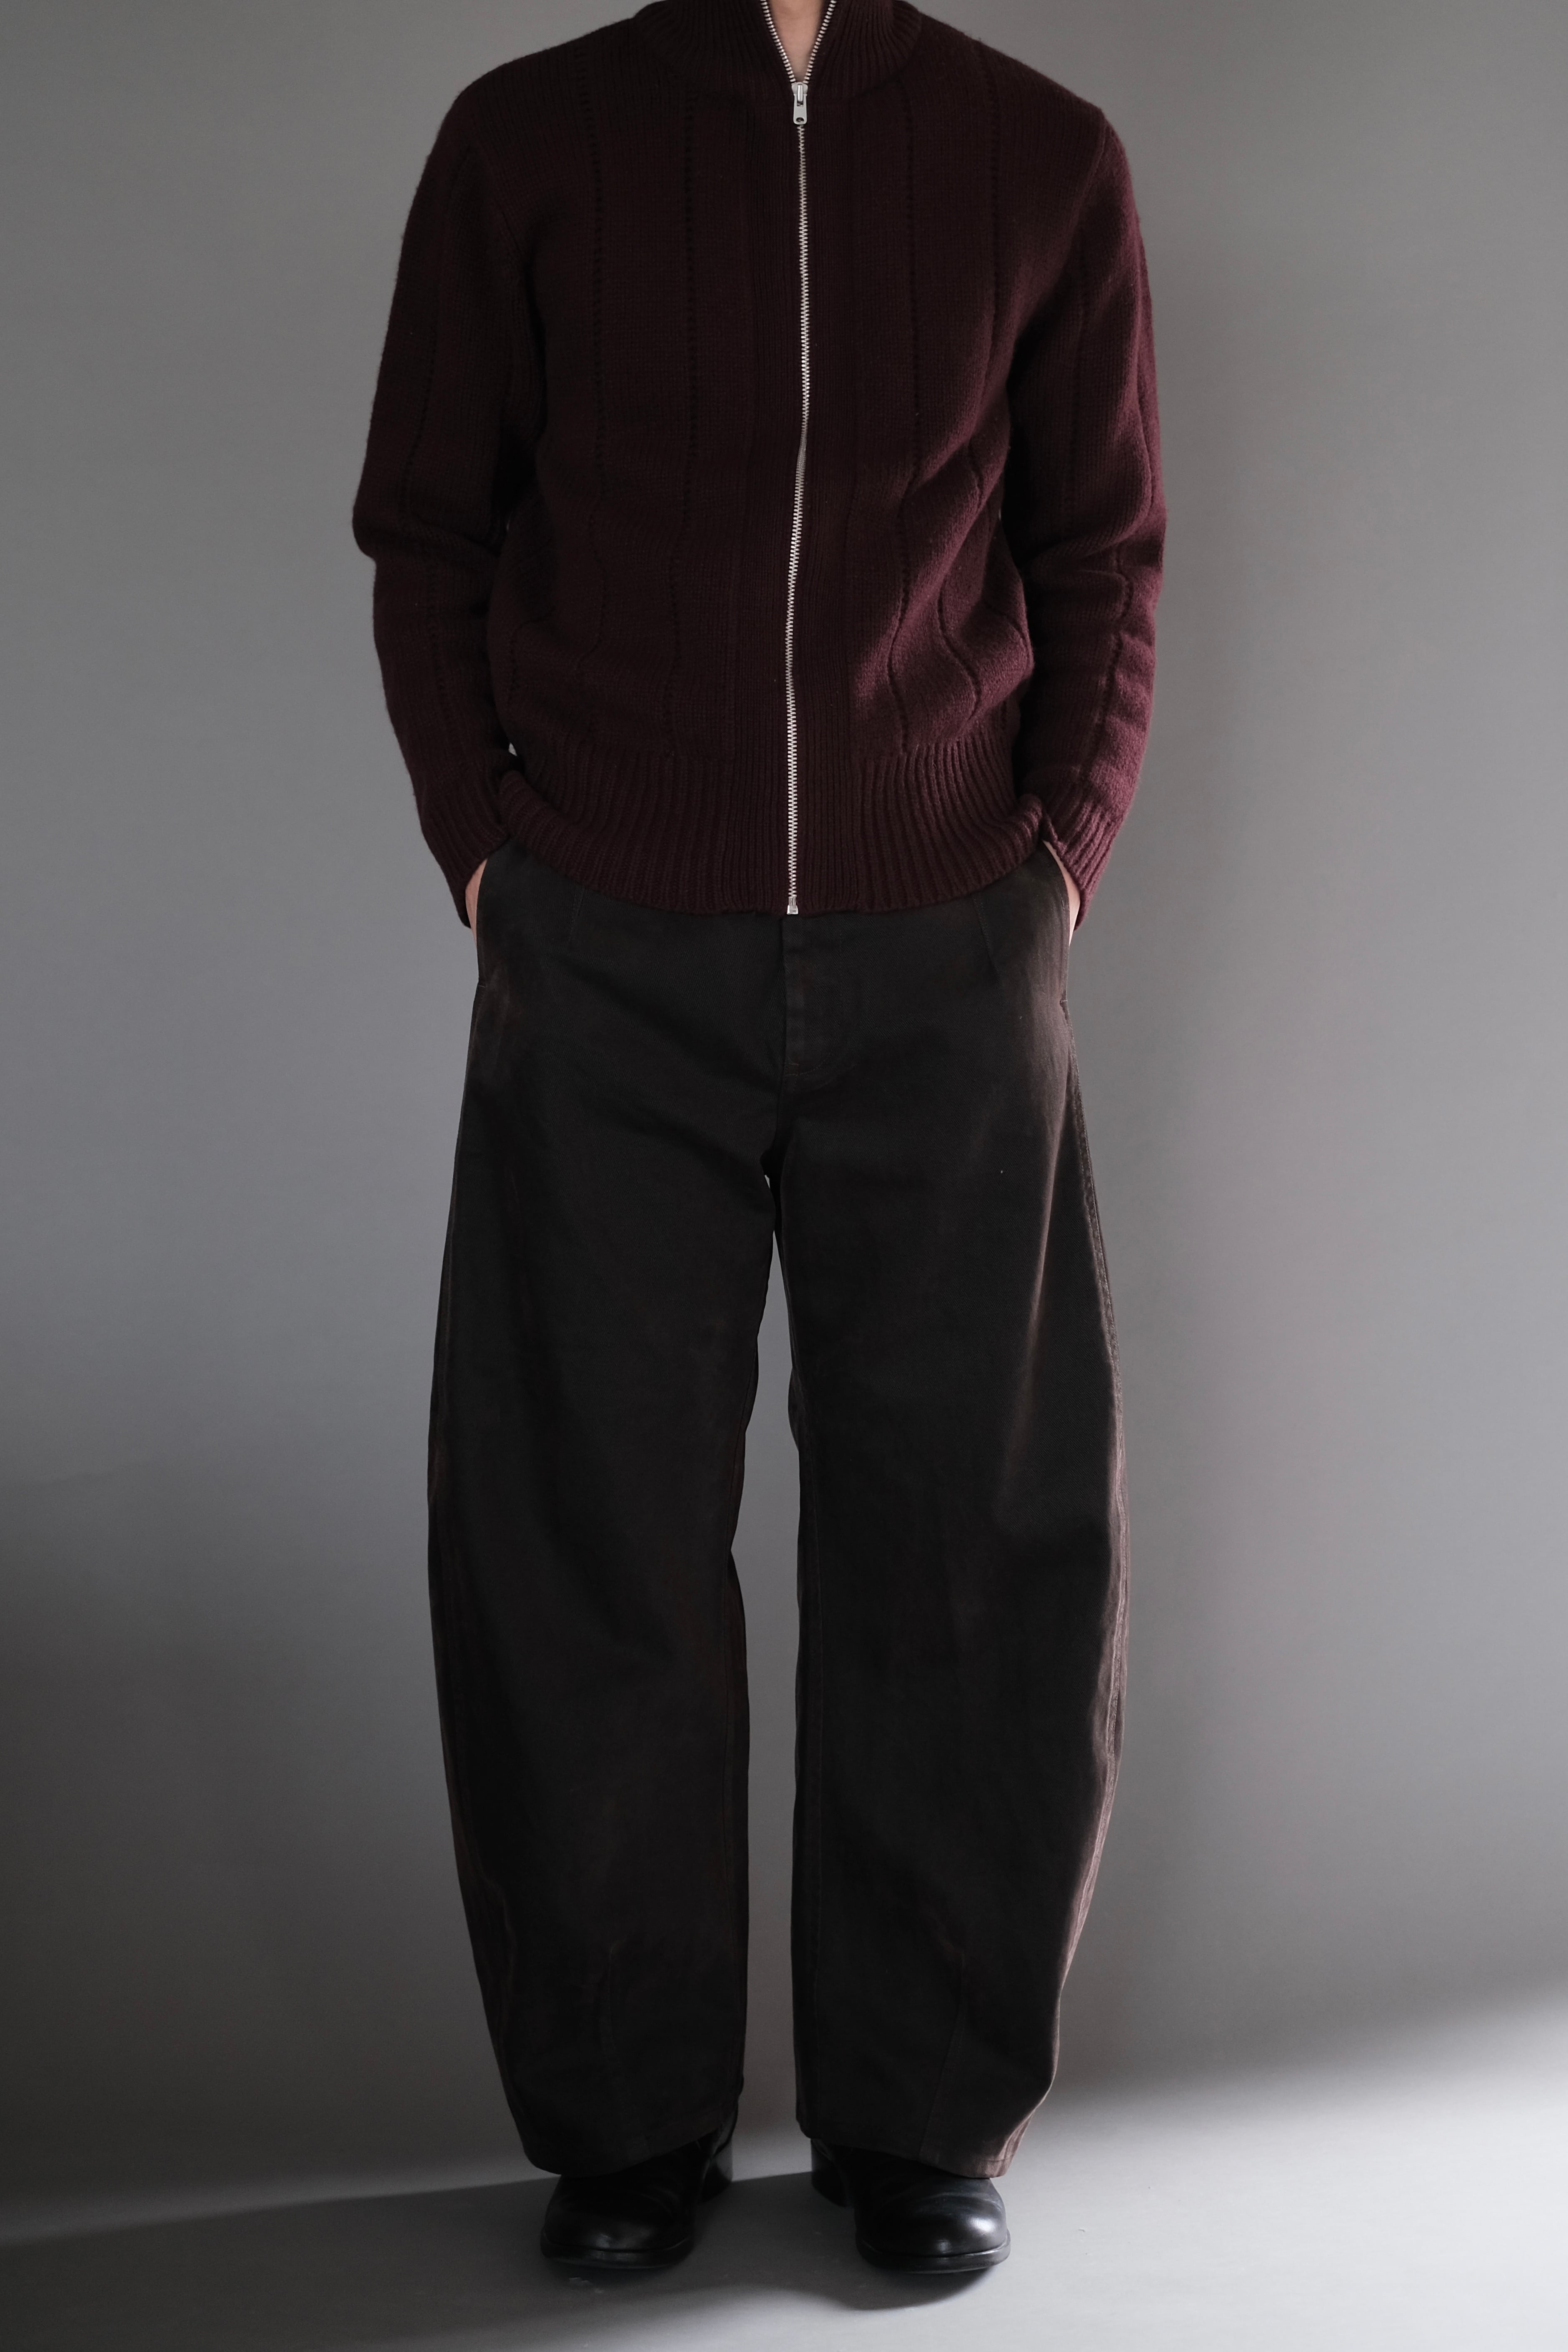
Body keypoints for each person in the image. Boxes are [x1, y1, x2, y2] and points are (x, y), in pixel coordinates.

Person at [352, 0, 1163, 2277]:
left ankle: (922, 2118)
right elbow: (427, 532)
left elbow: (1102, 549)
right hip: (607, 950)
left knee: (972, 1543)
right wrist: (491, 860)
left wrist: (1057, 864)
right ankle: (626, 2123)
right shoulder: (525, 140)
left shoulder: (1038, 155)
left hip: (946, 944)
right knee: (579, 1539)